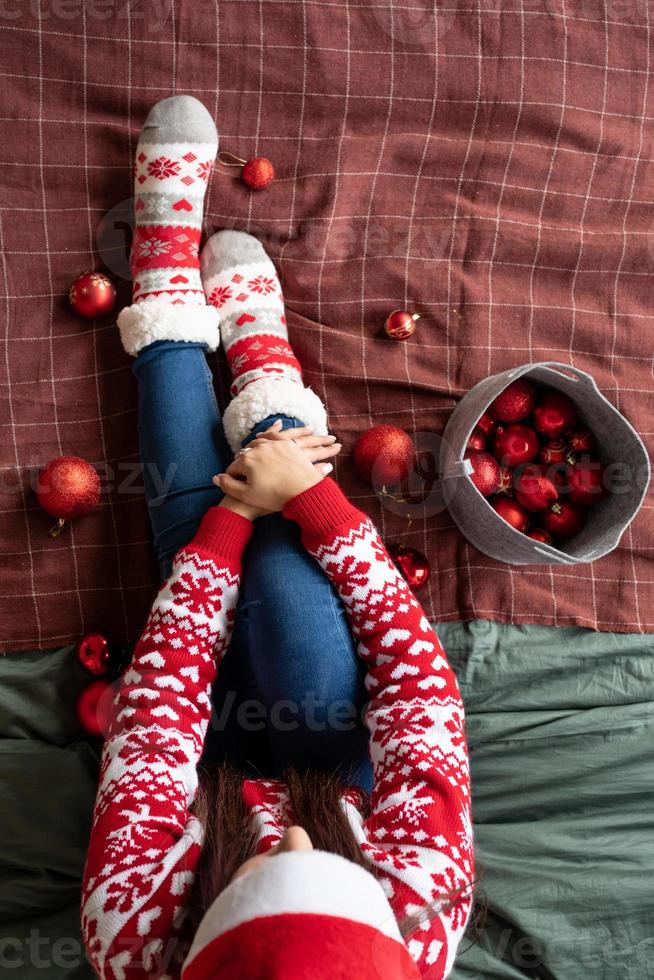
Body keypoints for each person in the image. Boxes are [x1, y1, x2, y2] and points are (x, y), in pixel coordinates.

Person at [81, 96, 474, 980]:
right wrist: (314, 502)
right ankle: (265, 370)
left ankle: (165, 284)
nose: (288, 831)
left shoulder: (132, 931)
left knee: (199, 524)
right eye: (324, 862)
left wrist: (230, 519)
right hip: (335, 755)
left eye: (266, 866)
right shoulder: (422, 907)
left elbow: (155, 724)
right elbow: (421, 700)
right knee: (300, 612)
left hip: (198, 762)